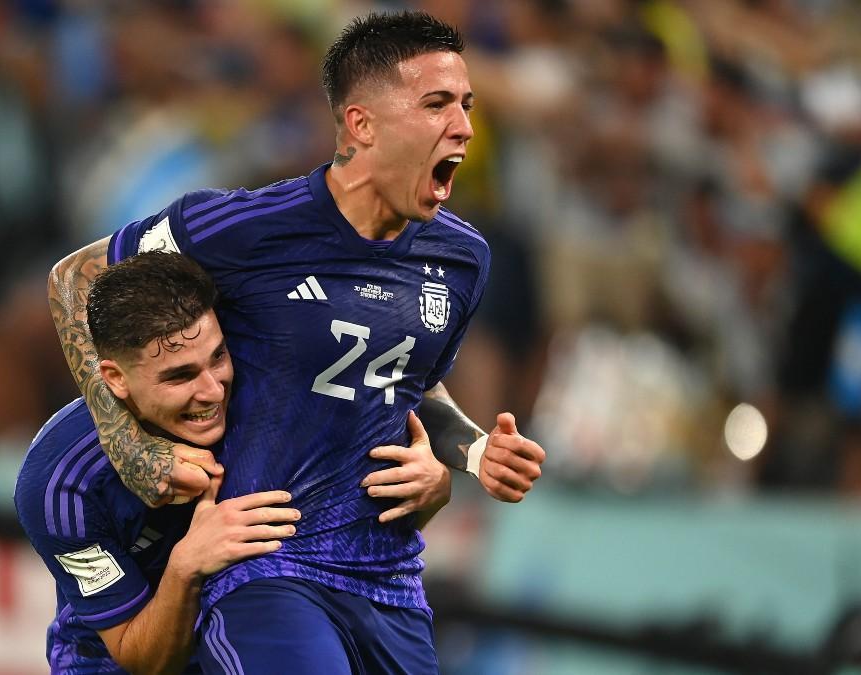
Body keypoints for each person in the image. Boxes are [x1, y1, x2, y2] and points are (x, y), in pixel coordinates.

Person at [47, 11, 547, 673]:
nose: (463, 127)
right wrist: (127, 438)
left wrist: (474, 450)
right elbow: (77, 275)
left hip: (389, 583)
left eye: (467, 106)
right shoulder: (245, 227)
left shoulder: (463, 260)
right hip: (270, 573)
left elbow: (410, 388)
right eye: (436, 105)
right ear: (362, 124)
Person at [18, 251, 452, 673]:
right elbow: (142, 658)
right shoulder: (59, 485)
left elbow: (348, 535)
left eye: (218, 358)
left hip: (257, 637)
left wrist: (432, 489)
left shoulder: (269, 389)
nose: (212, 391)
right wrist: (186, 565)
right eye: (180, 376)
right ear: (114, 378)